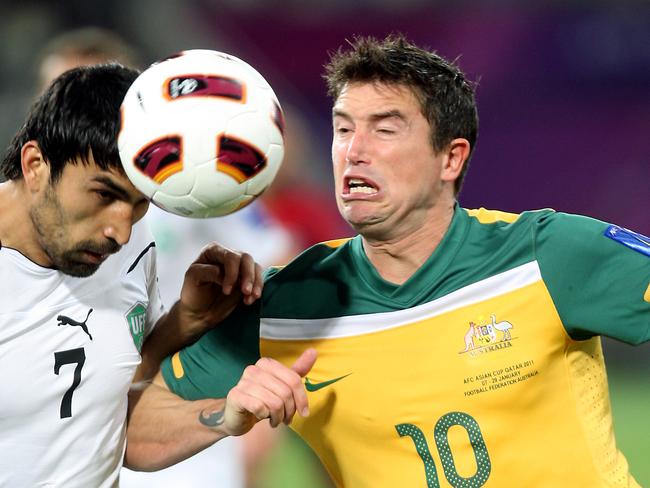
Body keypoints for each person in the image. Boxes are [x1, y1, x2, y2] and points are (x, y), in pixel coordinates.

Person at [125, 34, 650, 487]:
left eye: (385, 128)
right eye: (344, 128)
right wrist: (224, 415)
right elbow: (137, 435)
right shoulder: (289, 306)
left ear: (452, 157)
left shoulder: (547, 255)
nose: (354, 150)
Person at [0, 63, 263, 487]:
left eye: (140, 204)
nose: (120, 232)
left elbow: (106, 401)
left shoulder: (128, 244)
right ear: (35, 165)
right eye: (104, 194)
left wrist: (184, 323)